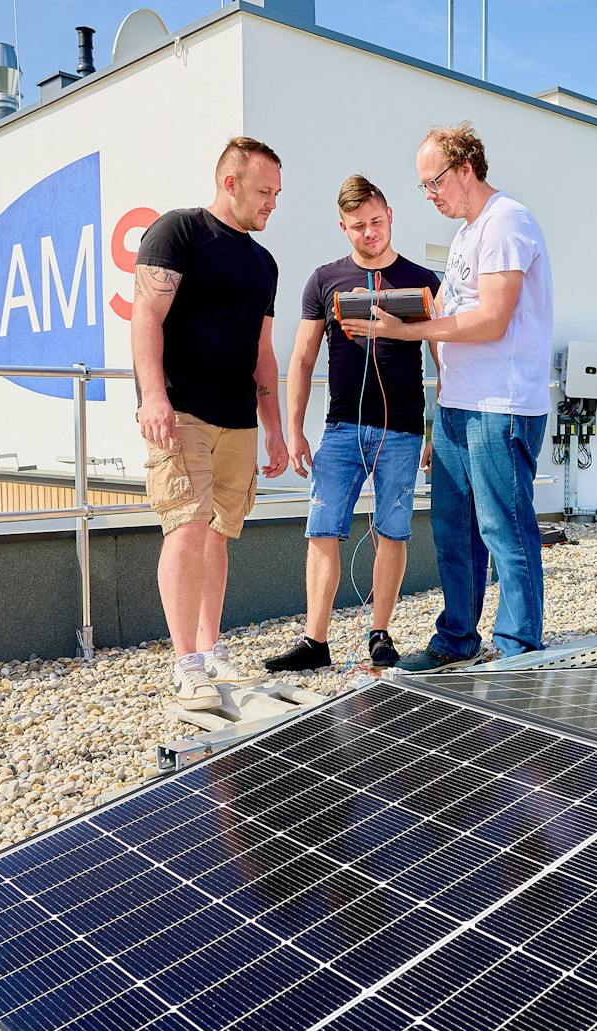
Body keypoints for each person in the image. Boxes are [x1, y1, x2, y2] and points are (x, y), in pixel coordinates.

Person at [345, 122, 553, 671]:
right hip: (461, 403)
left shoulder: (506, 222)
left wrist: (403, 332)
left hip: (500, 406)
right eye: (424, 187)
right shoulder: (467, 233)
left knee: (504, 528)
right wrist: (409, 312)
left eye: (434, 182)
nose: (430, 195)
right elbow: (455, 313)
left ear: (466, 168)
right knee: (453, 530)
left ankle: (518, 649)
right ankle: (457, 638)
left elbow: (490, 320)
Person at [132, 136, 289, 710]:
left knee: (220, 531)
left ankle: (211, 648)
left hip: (237, 420)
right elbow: (147, 315)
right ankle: (186, 665)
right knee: (187, 526)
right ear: (230, 183)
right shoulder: (179, 231)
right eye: (264, 191)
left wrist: (273, 426)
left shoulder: (263, 262)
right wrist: (152, 395)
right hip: (182, 411)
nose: (272, 202)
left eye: (277, 193)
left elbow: (263, 352)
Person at [264, 175, 440, 672]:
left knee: (393, 532)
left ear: (390, 217)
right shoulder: (325, 280)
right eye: (358, 225)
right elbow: (300, 359)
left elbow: (443, 359)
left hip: (403, 431)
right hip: (341, 430)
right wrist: (294, 429)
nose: (370, 232)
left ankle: (380, 634)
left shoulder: (424, 279)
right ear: (342, 227)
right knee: (322, 529)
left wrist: (433, 428)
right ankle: (314, 641)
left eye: (377, 222)